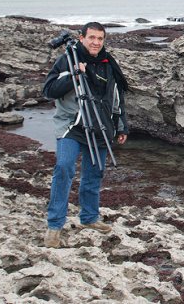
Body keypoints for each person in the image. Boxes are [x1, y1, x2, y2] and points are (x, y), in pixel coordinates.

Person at [42, 22, 129, 248]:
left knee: (94, 173)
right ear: (82, 38)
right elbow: (49, 90)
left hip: (100, 125)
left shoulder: (108, 64)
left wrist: (121, 126)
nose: (96, 43)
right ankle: (54, 226)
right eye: (92, 38)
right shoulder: (67, 60)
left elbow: (117, 97)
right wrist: (74, 75)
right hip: (72, 125)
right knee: (64, 167)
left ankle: (89, 218)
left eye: (100, 39)